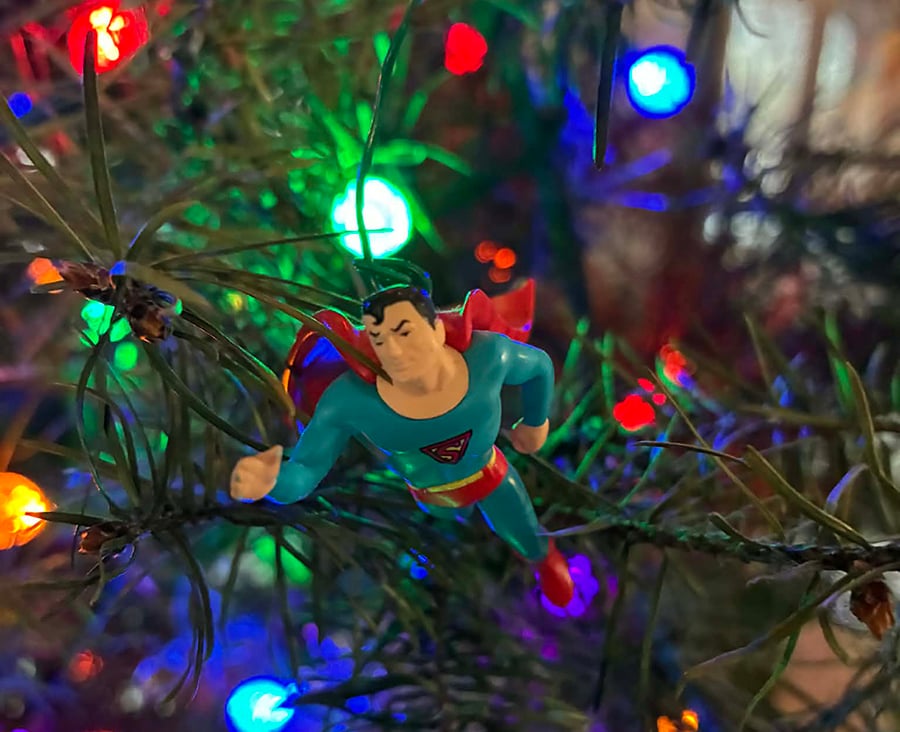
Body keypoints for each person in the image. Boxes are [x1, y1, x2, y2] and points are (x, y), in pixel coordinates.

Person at [230, 283, 574, 607]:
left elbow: (539, 367)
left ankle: (543, 557)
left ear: (437, 330)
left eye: (404, 333)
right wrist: (273, 481)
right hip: (429, 496)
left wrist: (535, 422)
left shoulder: (488, 357)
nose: (393, 351)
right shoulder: (351, 401)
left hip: (490, 473)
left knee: (520, 527)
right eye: (379, 340)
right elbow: (307, 468)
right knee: (451, 539)